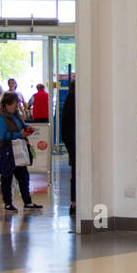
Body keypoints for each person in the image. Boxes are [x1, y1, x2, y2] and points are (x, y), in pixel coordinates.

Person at [0, 92, 42, 213]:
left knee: (23, 176)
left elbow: (22, 125)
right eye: (15, 104)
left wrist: (28, 128)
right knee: (7, 177)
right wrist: (20, 134)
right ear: (7, 104)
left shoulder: (14, 114)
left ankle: (27, 202)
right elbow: (2, 135)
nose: (16, 107)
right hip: (7, 151)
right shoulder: (0, 116)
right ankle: (8, 203)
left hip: (17, 150)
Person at [60, 83, 76, 216]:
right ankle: (75, 202)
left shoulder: (70, 98)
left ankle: (74, 202)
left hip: (72, 140)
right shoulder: (74, 97)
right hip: (75, 140)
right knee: (77, 172)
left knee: (75, 172)